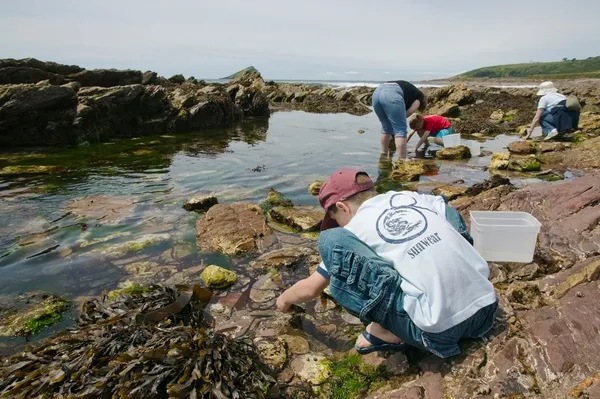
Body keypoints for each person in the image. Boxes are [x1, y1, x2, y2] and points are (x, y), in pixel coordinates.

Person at [276, 169, 497, 358]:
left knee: (332, 240)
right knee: (441, 208)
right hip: (487, 308)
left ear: (342, 208)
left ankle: (386, 331)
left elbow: (311, 288)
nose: (339, 224)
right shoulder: (411, 197)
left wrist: (284, 300)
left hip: (439, 333)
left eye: (335, 219)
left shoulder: (354, 230)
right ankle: (466, 276)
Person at [372, 81, 427, 160]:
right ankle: (402, 160)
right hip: (392, 94)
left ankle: (383, 155)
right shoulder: (420, 97)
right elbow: (408, 113)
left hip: (377, 93)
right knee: (400, 129)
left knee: (386, 127)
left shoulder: (411, 91)